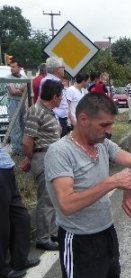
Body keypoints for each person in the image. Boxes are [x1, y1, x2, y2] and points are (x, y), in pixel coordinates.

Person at [44, 92, 131, 278]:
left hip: (106, 236)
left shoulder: (102, 145)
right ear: (83, 119)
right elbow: (66, 204)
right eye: (104, 125)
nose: (109, 130)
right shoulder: (60, 152)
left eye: (111, 124)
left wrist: (129, 192)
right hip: (79, 243)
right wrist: (112, 183)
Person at [21, 79, 64, 251]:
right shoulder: (36, 111)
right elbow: (27, 141)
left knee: (53, 198)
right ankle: (43, 238)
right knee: (46, 199)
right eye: (60, 96)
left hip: (52, 157)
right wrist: (30, 159)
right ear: (54, 97)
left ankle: (52, 232)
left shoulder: (48, 111)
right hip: (43, 157)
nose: (61, 100)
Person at [0, 146, 40, 278]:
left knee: (21, 218)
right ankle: (2, 268)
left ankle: (19, 260)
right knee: (2, 224)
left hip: (6, 169)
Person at [40, 56, 71, 137]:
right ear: (57, 69)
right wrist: (56, 121)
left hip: (62, 119)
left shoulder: (56, 80)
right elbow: (47, 103)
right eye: (63, 67)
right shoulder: (49, 81)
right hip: (56, 119)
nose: (64, 69)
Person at [6, 59, 28, 155]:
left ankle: (23, 148)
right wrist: (21, 89)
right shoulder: (8, 77)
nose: (12, 69)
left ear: (19, 68)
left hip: (23, 102)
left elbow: (27, 91)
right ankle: (16, 149)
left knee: (23, 124)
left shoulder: (24, 77)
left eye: (14, 67)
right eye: (11, 67)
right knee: (15, 126)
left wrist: (19, 90)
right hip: (13, 103)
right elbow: (13, 92)